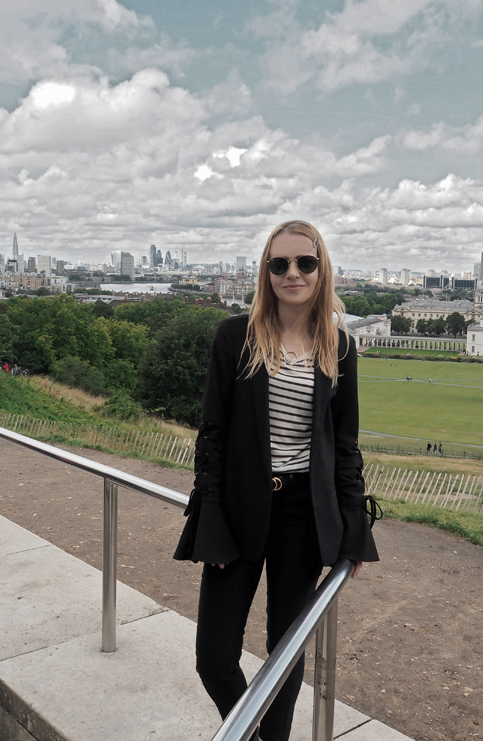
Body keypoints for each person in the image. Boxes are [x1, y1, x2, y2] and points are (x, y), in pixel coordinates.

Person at [174, 220, 379, 741]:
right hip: (240, 509)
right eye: (279, 264)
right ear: (265, 273)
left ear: (321, 268)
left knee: (284, 654)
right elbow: (212, 434)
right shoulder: (235, 337)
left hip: (303, 516)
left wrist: (353, 527)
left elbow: (345, 444)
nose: (292, 273)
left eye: (304, 263)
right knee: (214, 658)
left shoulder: (340, 347)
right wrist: (212, 517)